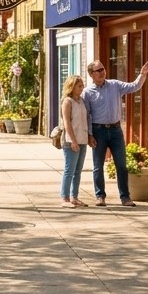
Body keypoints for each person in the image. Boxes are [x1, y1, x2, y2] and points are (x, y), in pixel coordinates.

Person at [84, 59, 148, 207]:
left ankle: (125, 197)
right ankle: (100, 196)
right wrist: (89, 135)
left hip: (115, 131)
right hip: (98, 131)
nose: (102, 72)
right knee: (98, 166)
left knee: (121, 165)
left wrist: (142, 74)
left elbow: (134, 86)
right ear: (91, 74)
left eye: (103, 69)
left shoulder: (115, 85)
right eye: (98, 70)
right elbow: (87, 116)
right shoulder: (87, 93)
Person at [60, 75, 89, 207]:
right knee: (69, 170)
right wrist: (73, 141)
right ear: (72, 87)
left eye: (82, 85)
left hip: (82, 139)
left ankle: (74, 197)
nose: (82, 88)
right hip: (71, 141)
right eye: (79, 86)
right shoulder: (67, 102)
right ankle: (65, 198)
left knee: (78, 171)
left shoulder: (81, 101)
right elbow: (67, 123)